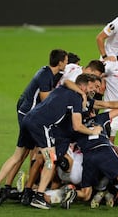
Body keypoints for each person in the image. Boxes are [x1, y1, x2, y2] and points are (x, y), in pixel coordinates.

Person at [0, 49, 68, 205]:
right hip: (31, 117)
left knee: (19, 154)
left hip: (27, 116)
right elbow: (47, 101)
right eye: (66, 61)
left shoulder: (46, 72)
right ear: (60, 62)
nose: (67, 64)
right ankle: (32, 190)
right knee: (40, 155)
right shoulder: (45, 76)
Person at [21, 74, 103, 209]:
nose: (94, 90)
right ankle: (39, 195)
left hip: (37, 124)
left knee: (42, 158)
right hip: (52, 132)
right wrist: (93, 131)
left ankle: (29, 191)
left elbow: (66, 81)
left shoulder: (63, 89)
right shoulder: (77, 97)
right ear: (84, 85)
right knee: (51, 161)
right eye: (93, 86)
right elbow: (77, 126)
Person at [60, 106, 118, 211]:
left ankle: (73, 193)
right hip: (105, 151)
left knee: (86, 194)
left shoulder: (76, 127)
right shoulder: (99, 118)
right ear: (92, 113)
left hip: (88, 155)